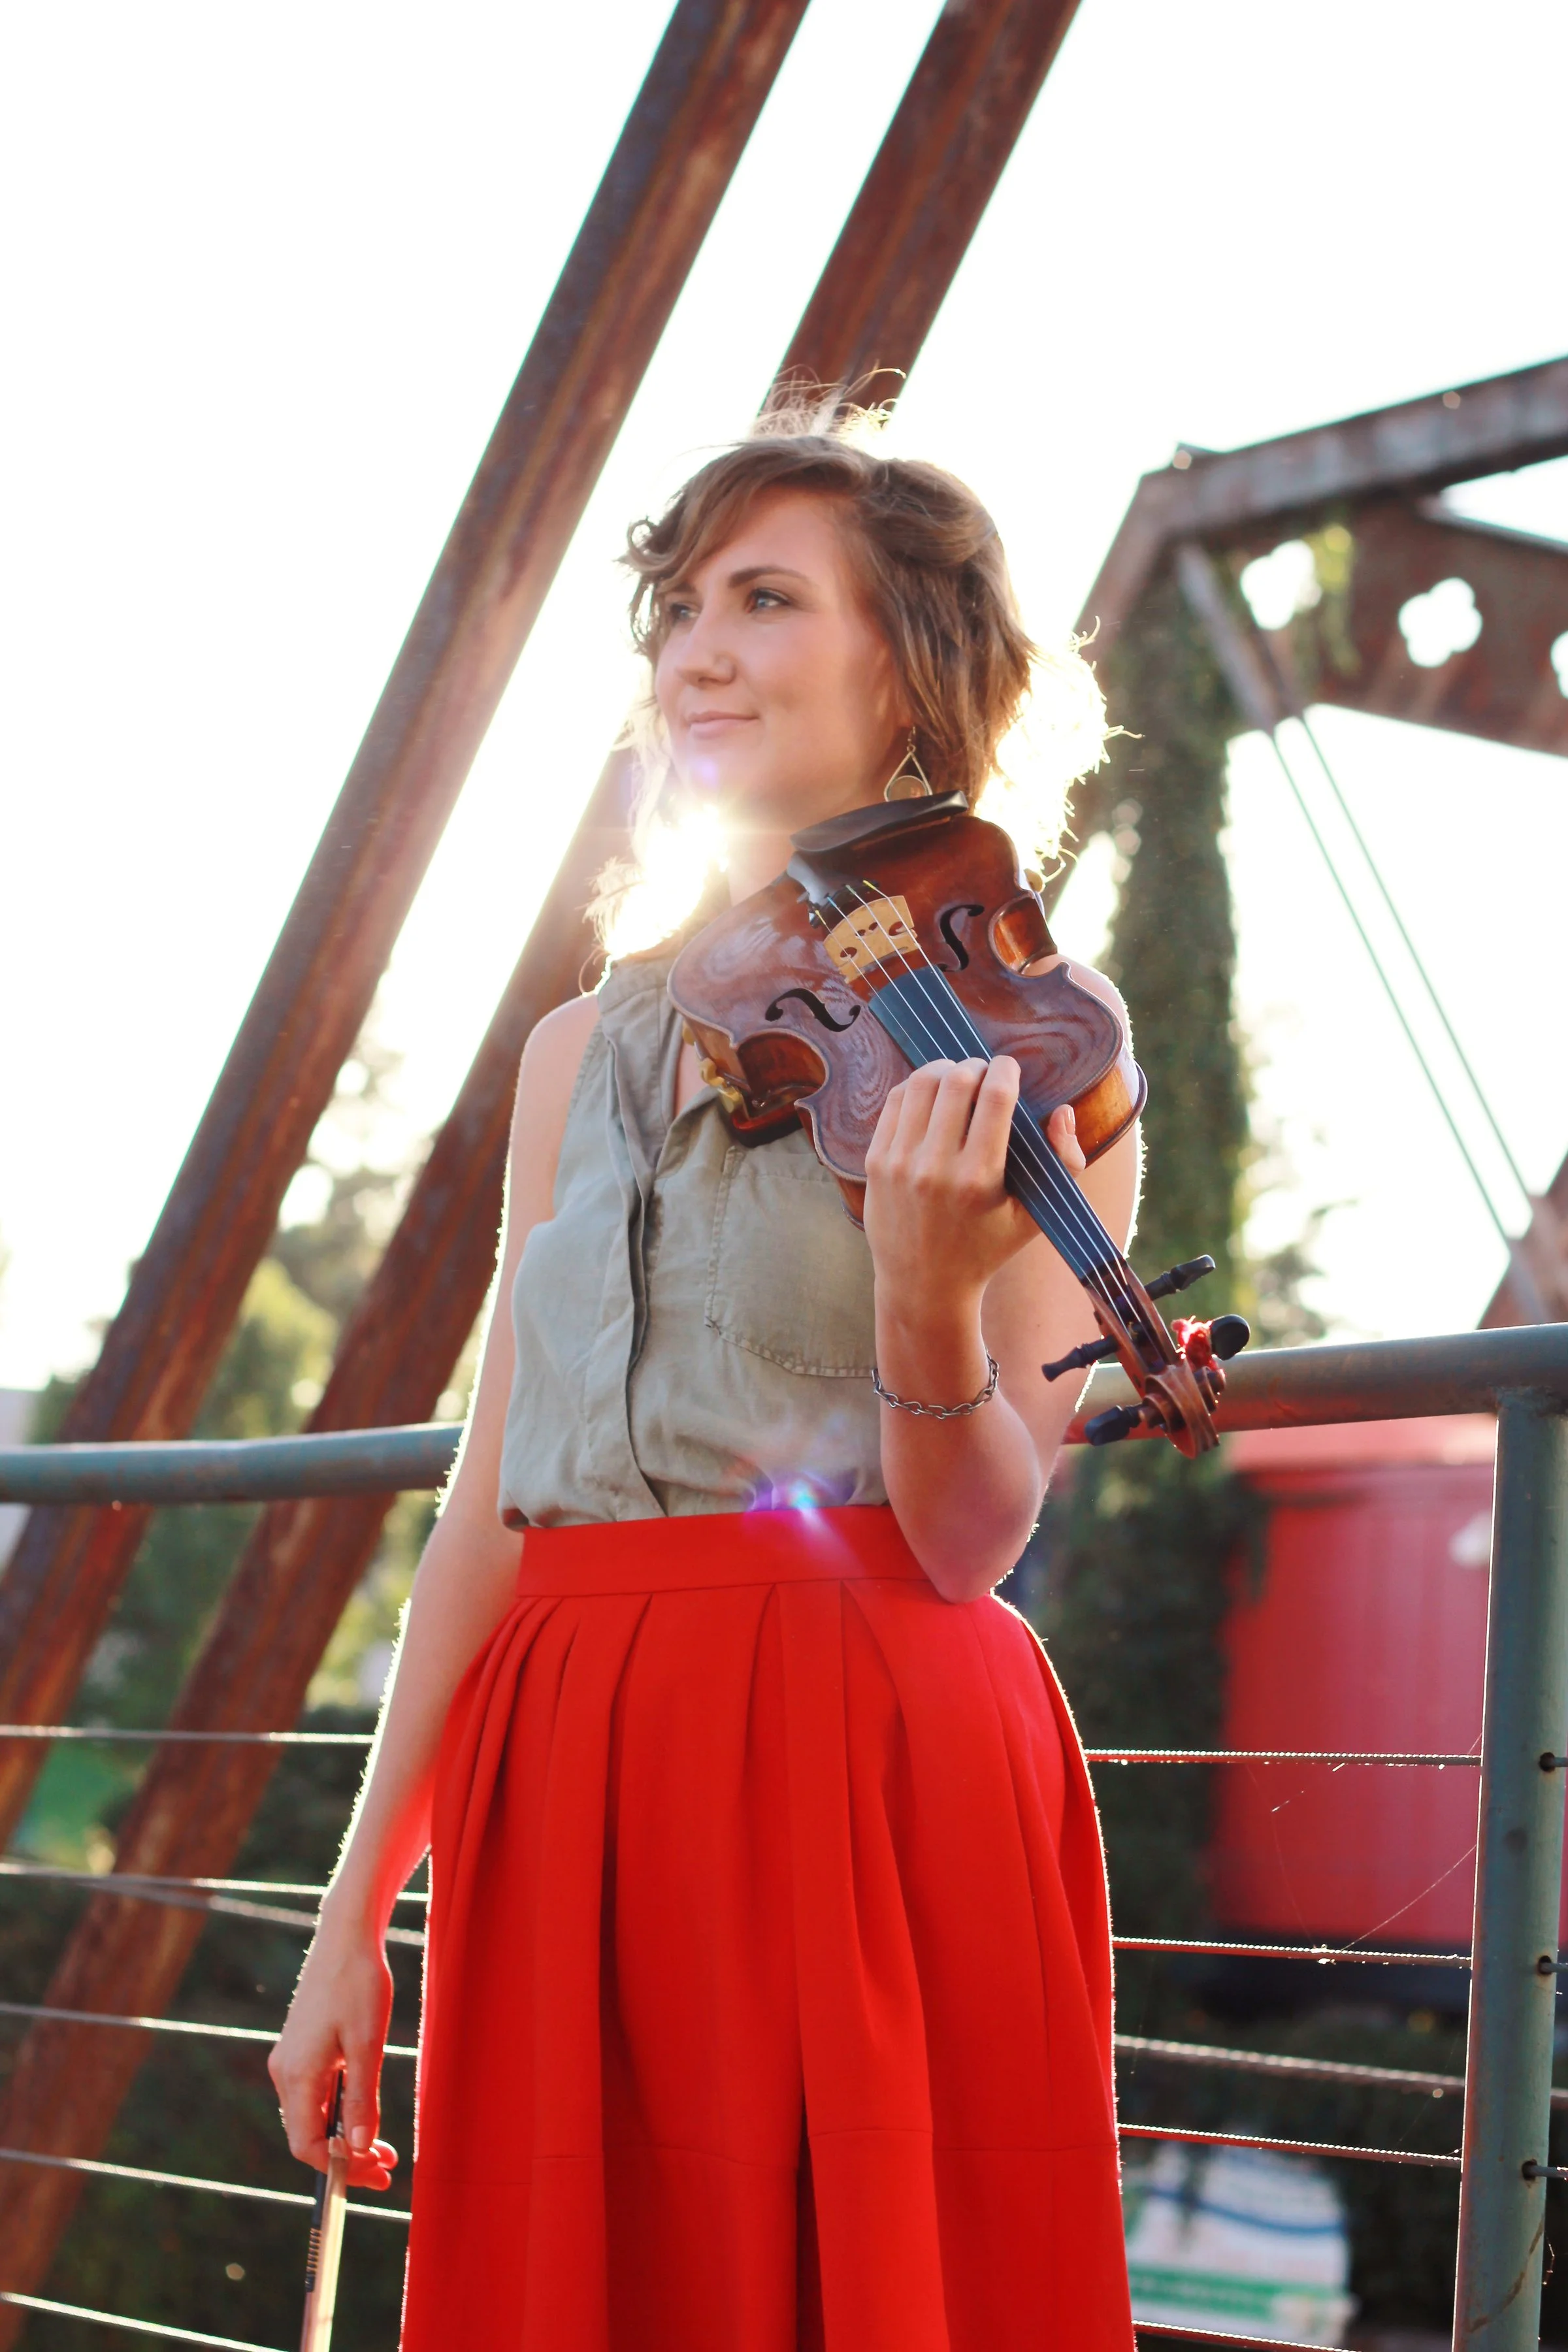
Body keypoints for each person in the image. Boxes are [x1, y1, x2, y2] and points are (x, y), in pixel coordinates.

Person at [271, 414, 1140, 2351]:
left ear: (907, 665)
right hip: (567, 1756)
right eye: (677, 610)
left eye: (763, 600)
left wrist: (924, 1300)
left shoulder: (1035, 1044)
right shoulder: (574, 1052)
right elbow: (493, 1503)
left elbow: (972, 1543)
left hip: (869, 1762)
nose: (697, 654)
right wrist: (354, 1914)